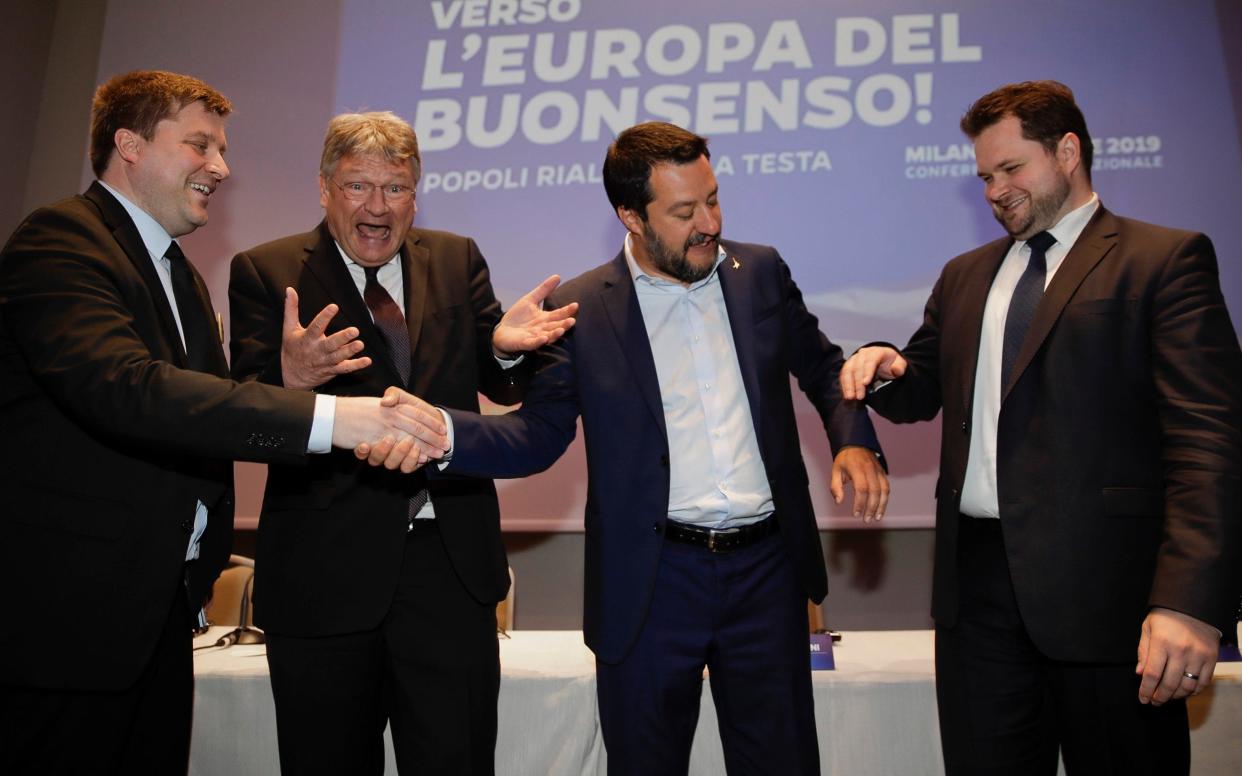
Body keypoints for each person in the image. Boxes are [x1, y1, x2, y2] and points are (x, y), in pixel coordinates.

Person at [368, 121, 889, 775]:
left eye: (714, 199)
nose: (709, 223)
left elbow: (824, 369)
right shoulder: (582, 310)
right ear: (631, 215)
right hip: (651, 581)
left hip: (766, 574)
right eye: (683, 211)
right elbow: (536, 435)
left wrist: (855, 441)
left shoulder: (759, 272)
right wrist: (444, 434)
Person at [0, 72, 444, 775]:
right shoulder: (61, 241)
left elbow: (214, 406)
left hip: (154, 616)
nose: (221, 167)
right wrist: (333, 417)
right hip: (73, 624)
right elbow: (129, 391)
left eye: (222, 148)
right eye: (200, 145)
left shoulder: (176, 274)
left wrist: (289, 382)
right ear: (129, 145)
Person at [839, 80, 1242, 775]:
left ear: (1067, 150)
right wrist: (886, 366)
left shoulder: (1163, 260)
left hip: (1112, 602)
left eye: (1011, 168)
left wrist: (1188, 602)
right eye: (985, 176)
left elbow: (1210, 441)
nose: (995, 189)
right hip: (978, 601)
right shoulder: (966, 276)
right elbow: (923, 384)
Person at [228, 110, 575, 776]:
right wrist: (288, 379)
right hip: (322, 578)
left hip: (448, 569)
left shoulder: (455, 257)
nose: (377, 208)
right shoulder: (267, 272)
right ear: (325, 187)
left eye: (396, 189)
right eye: (359, 187)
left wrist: (503, 352)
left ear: (416, 193)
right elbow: (240, 413)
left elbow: (501, 390)